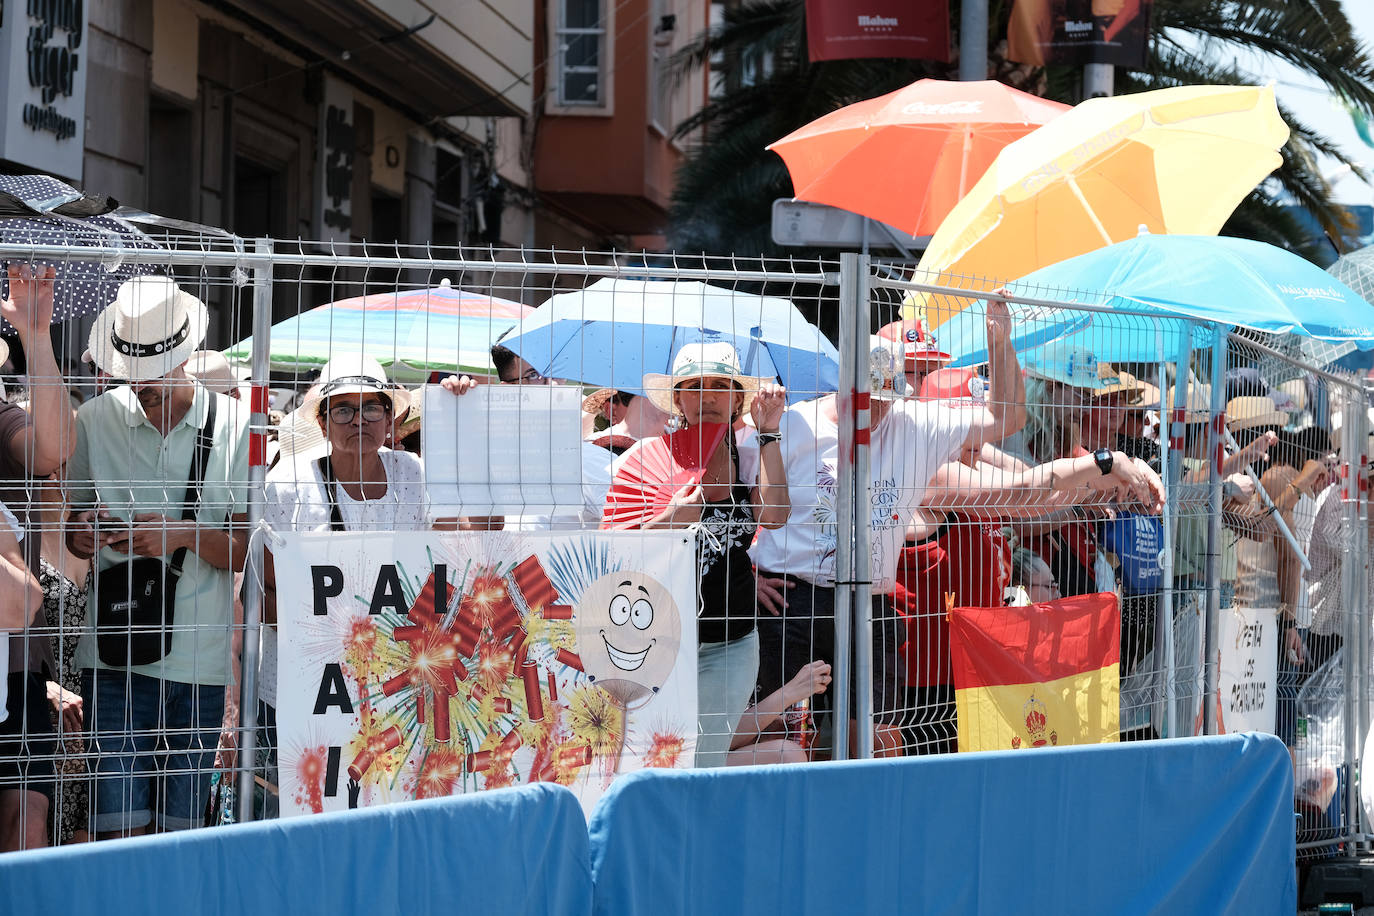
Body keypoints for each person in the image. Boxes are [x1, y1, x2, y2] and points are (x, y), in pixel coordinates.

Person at [751, 300, 1026, 757]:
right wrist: (752, 572)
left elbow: (1007, 419)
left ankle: (871, 804)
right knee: (787, 740)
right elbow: (755, 510)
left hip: (869, 599)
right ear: (842, 388)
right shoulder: (795, 425)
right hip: (795, 598)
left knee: (876, 741)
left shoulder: (911, 423)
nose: (875, 410)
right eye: (865, 398)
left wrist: (999, 342)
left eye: (885, 397)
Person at [66, 276, 250, 839]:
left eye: (152, 374)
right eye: (131, 373)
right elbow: (72, 528)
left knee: (182, 838)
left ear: (185, 359)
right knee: (117, 835)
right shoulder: (93, 419)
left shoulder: (237, 426)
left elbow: (244, 549)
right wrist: (86, 533)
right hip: (113, 656)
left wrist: (182, 535)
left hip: (200, 663)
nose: (139, 385)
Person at [260, 354, 439, 817]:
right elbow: (263, 595)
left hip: (391, 692)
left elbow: (441, 566)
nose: (359, 421)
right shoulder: (288, 485)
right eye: (343, 410)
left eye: (372, 408)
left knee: (384, 813)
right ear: (322, 422)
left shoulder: (413, 475)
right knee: (304, 815)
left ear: (390, 418)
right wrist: (336, 634)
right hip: (307, 691)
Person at [623, 342, 790, 767]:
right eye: (695, 387)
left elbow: (774, 516)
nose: (708, 397)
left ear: (737, 399)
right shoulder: (648, 458)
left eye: (720, 386)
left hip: (732, 643)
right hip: (655, 642)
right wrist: (671, 519)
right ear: (678, 400)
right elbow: (616, 551)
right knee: (652, 758)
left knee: (705, 759)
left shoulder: (752, 454)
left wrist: (769, 432)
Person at [0, 264, 78, 852]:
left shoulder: (2, 418)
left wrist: (35, 334)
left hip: (16, 664)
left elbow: (53, 449)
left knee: (26, 822)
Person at [728, 660, 831, 766]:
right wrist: (791, 691)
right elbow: (719, 739)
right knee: (789, 755)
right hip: (716, 756)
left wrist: (765, 733)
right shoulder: (726, 660)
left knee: (789, 753)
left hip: (730, 749)